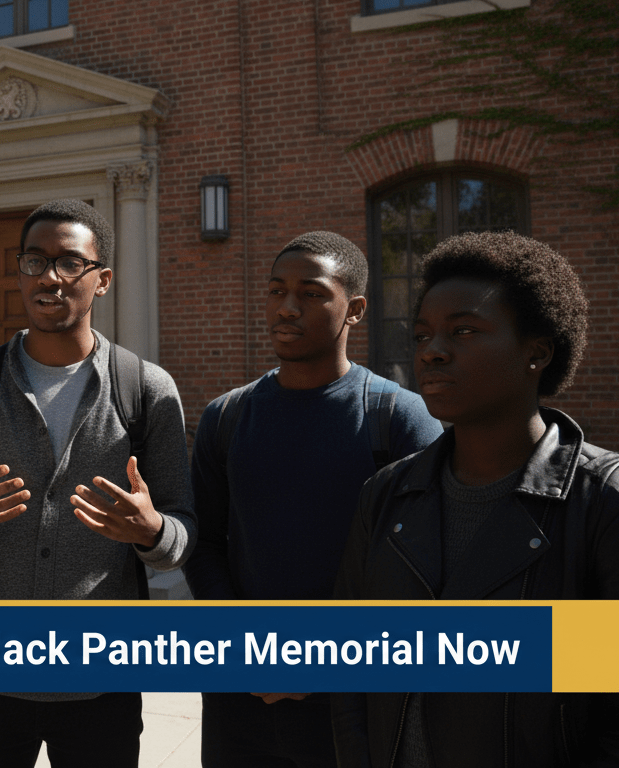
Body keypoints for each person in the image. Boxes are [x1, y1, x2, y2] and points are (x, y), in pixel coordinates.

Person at [333, 231, 619, 767]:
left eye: (464, 330)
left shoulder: (612, 505)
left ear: (537, 353)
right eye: (423, 334)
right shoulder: (386, 495)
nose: (432, 351)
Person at [0, 199, 194, 767]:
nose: (50, 277)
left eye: (71, 263)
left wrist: (151, 531)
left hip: (102, 680)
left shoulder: (146, 390)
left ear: (104, 280)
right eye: (34, 262)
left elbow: (180, 534)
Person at [183, 231, 441, 767]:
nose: (288, 307)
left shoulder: (398, 418)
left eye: (312, 293)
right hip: (240, 696)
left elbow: (428, 568)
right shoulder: (226, 417)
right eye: (277, 292)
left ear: (356, 309)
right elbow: (204, 543)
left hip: (356, 700)